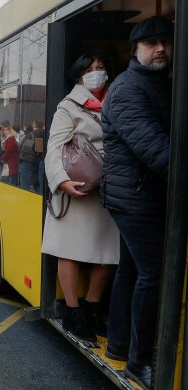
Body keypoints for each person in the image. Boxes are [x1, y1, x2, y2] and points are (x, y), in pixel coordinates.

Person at [101, 16, 173, 388]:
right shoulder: (128, 88)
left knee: (131, 270)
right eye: (151, 43)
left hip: (142, 194)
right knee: (155, 274)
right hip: (136, 198)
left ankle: (118, 344)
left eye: (166, 41)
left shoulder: (161, 83)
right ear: (135, 50)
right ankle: (139, 361)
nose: (160, 48)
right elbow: (157, 151)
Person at [42, 51, 119, 344]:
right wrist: (61, 181)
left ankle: (90, 308)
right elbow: (53, 148)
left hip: (109, 189)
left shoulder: (116, 100)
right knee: (70, 251)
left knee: (108, 254)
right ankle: (73, 312)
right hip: (77, 189)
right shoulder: (68, 106)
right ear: (79, 76)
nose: (96, 73)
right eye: (90, 69)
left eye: (101, 67)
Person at [19, 124, 38, 191]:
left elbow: (21, 149)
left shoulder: (29, 135)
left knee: (25, 185)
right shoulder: (42, 134)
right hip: (35, 162)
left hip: (27, 161)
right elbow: (39, 151)